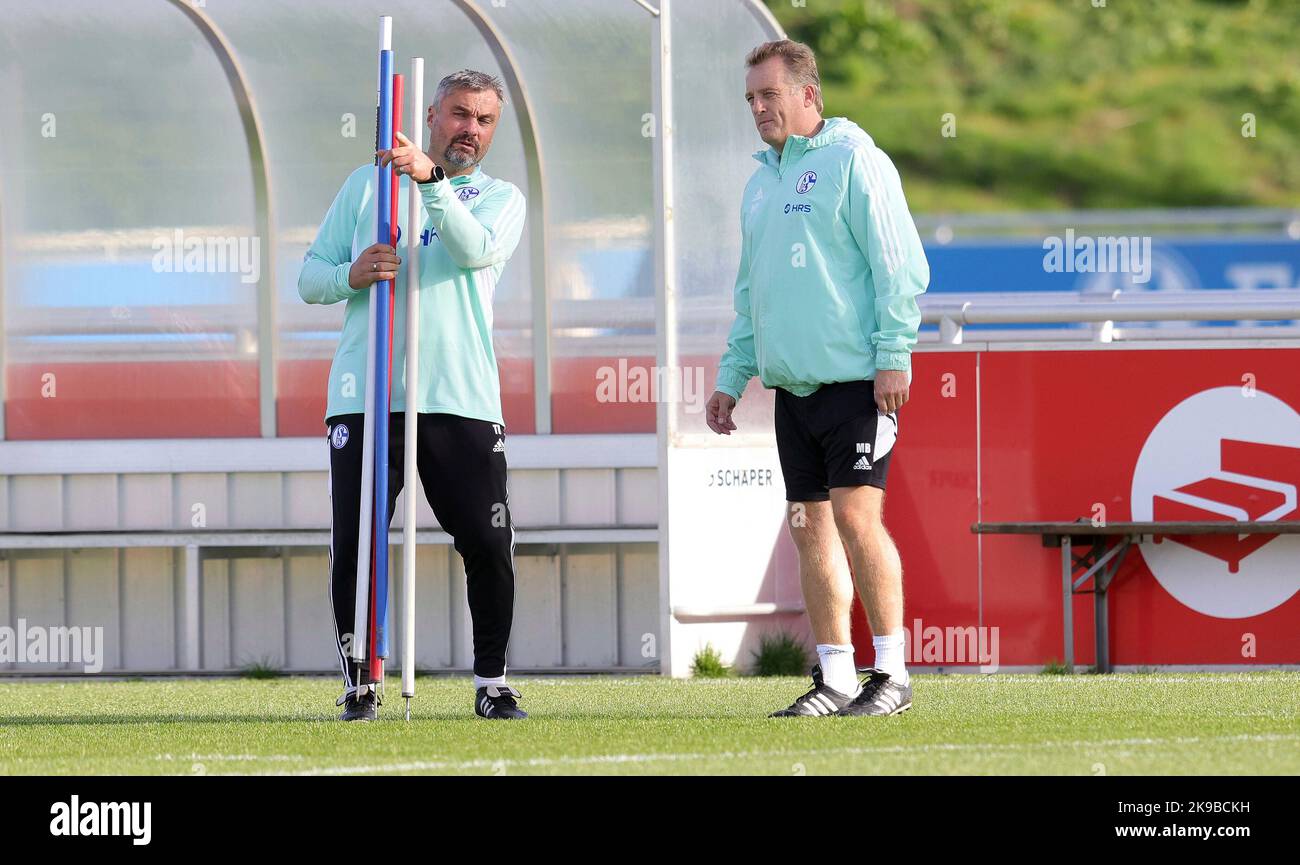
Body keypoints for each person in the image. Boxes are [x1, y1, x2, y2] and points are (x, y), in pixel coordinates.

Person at [705, 40, 929, 717]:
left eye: (769, 95)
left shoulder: (855, 159)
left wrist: (895, 352)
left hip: (858, 382)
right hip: (792, 392)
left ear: (809, 96)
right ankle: (834, 676)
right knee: (809, 526)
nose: (758, 108)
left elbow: (899, 265)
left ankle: (890, 675)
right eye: (750, 98)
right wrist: (731, 374)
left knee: (859, 519)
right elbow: (753, 294)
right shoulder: (759, 182)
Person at [298, 70, 528, 722]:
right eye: (460, 115)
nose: (471, 131)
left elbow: (472, 249)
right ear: (431, 114)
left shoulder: (498, 196)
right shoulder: (367, 187)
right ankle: (360, 681)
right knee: (360, 539)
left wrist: (429, 182)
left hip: (459, 396)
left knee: (486, 539)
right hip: (367, 395)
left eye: (484, 121)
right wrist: (353, 272)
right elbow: (309, 276)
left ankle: (492, 681)